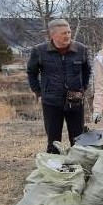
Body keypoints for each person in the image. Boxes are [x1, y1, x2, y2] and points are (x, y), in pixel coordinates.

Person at [27, 18, 91, 153]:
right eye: (63, 33)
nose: (68, 35)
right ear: (52, 35)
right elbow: (31, 72)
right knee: (53, 139)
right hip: (51, 101)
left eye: (69, 32)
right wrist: (39, 91)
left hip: (75, 100)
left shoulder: (81, 49)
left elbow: (87, 70)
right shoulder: (39, 51)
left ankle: (79, 164)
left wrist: (82, 88)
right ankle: (53, 165)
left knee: (78, 138)